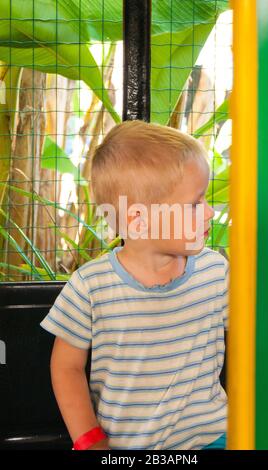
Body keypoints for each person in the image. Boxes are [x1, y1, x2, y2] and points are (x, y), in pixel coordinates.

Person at [40, 120, 229, 450]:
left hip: (213, 439)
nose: (210, 212)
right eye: (195, 203)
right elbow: (66, 366)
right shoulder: (90, 287)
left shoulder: (215, 272)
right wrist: (90, 441)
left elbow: (254, 340)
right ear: (139, 220)